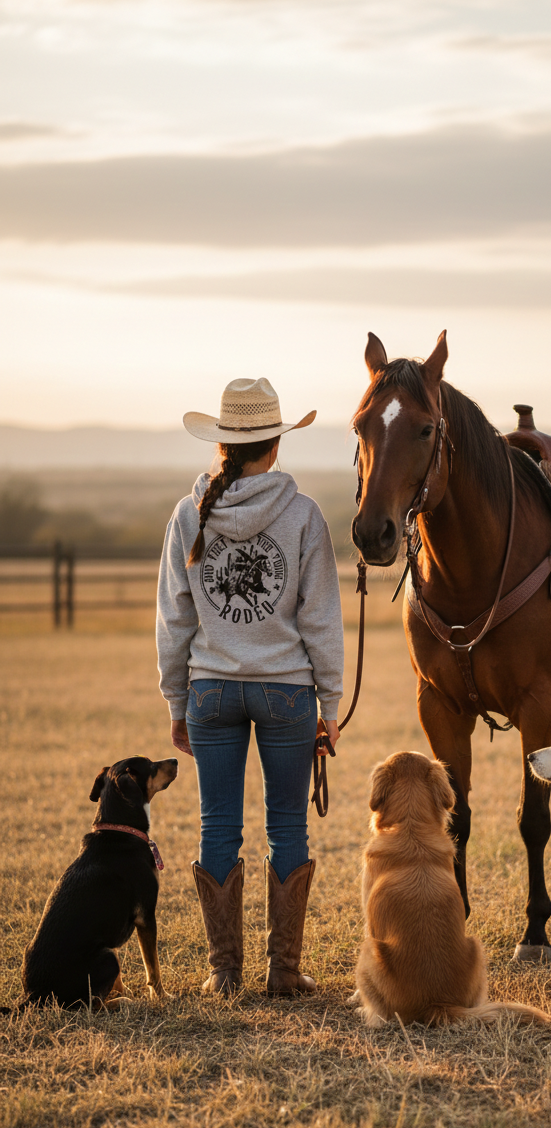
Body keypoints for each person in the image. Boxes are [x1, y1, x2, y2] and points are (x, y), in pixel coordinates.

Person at [156, 376, 344, 997]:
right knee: (288, 827)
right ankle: (284, 975)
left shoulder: (189, 514)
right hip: (287, 692)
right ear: (276, 443)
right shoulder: (303, 515)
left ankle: (223, 973)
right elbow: (319, 618)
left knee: (218, 828)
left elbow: (175, 619)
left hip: (212, 691)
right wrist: (332, 701)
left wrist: (178, 702)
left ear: (223, 444)